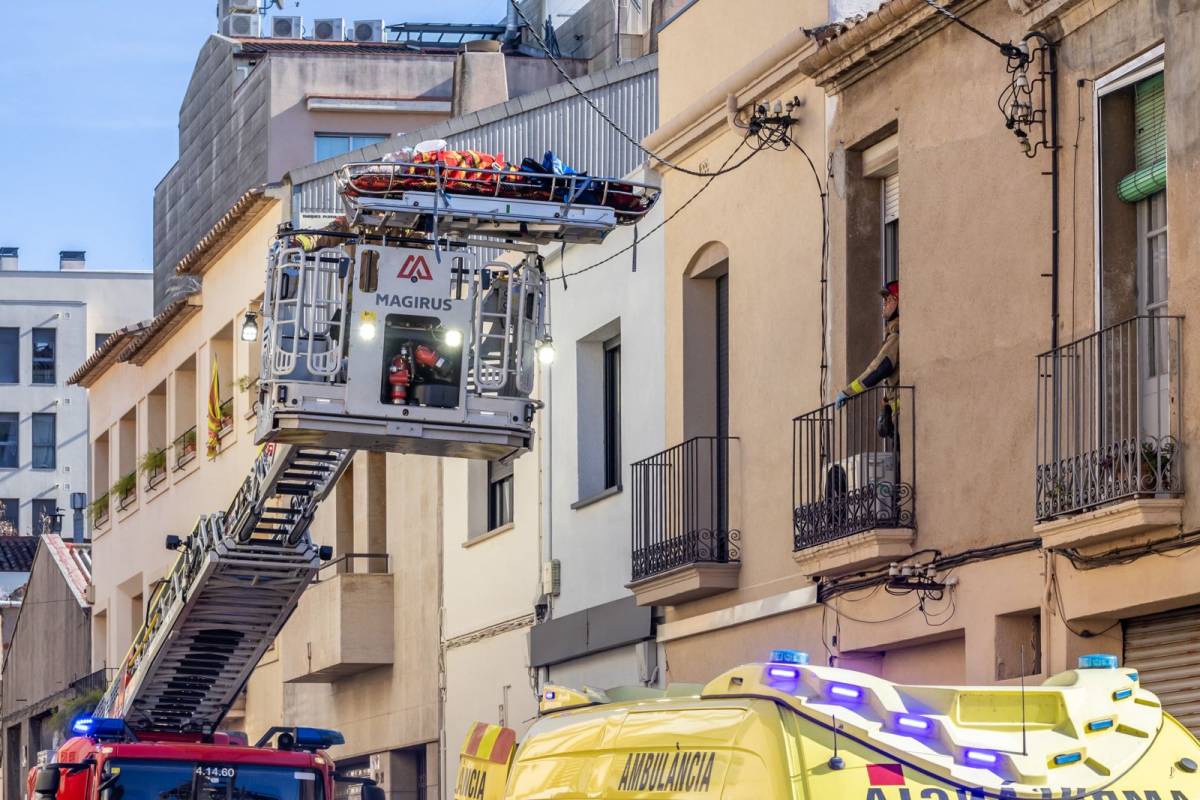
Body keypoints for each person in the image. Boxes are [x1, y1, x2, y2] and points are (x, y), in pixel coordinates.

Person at [835, 281, 899, 432]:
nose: (884, 305)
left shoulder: (896, 336)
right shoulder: (894, 333)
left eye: (889, 300)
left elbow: (878, 369)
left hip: (904, 419)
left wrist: (847, 392)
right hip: (899, 418)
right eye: (884, 301)